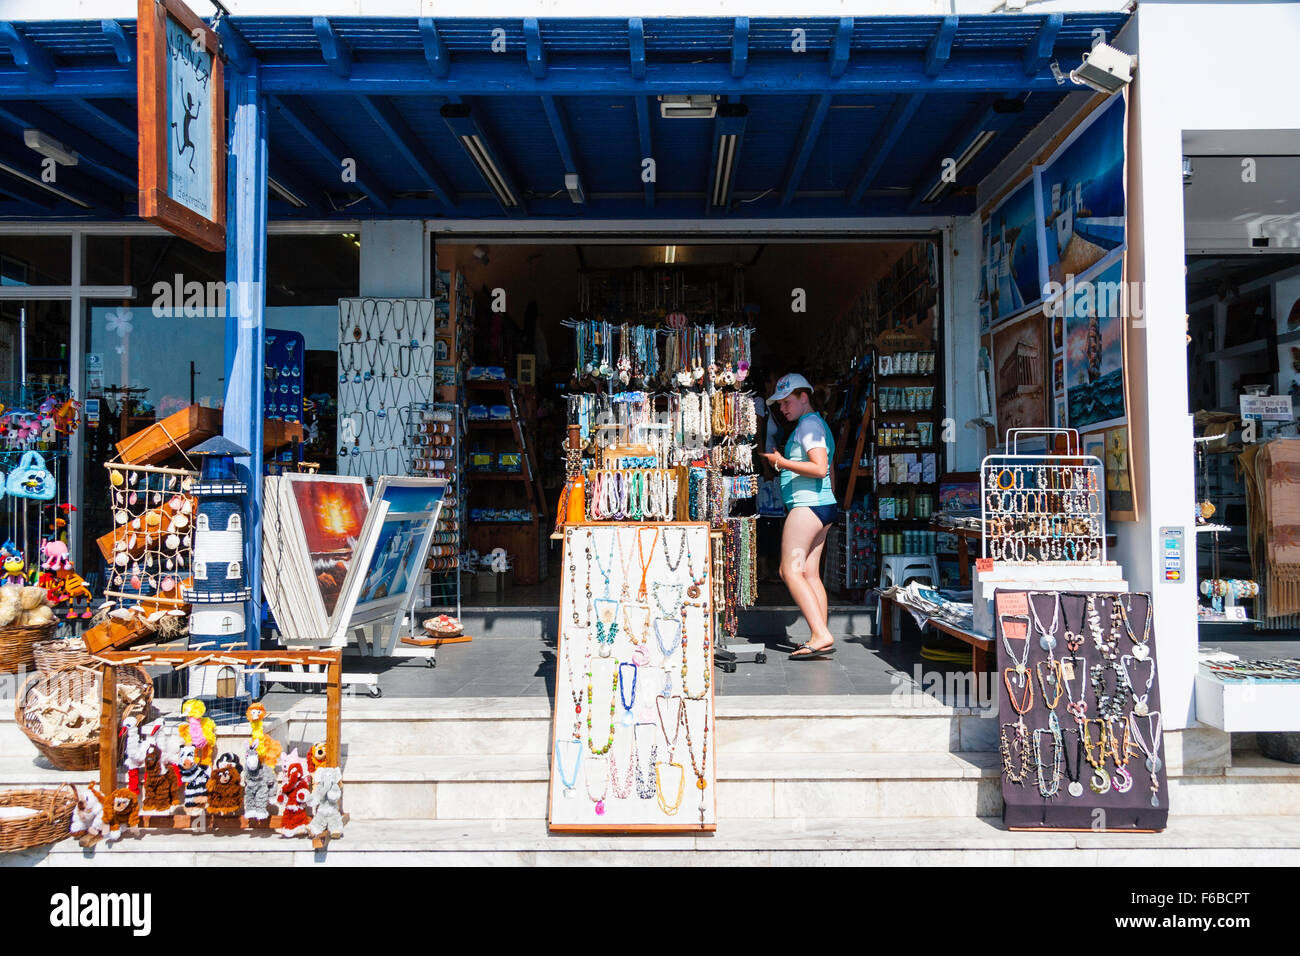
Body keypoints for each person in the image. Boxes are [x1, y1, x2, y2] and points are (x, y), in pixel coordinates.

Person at [759, 373, 838, 660]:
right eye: (779, 404)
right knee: (809, 573)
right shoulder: (815, 424)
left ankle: (820, 634)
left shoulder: (809, 425)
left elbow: (819, 468)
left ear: (804, 397)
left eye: (787, 401)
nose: (783, 408)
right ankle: (822, 634)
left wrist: (781, 462)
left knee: (788, 571)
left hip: (807, 507)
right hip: (820, 505)